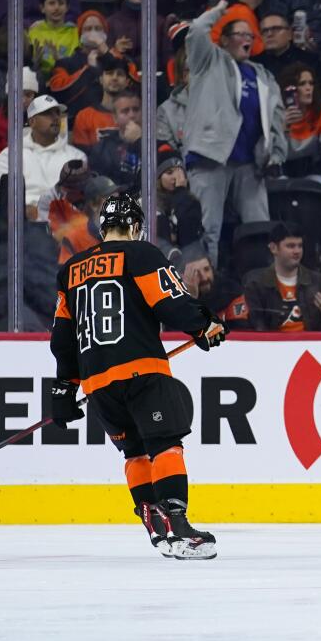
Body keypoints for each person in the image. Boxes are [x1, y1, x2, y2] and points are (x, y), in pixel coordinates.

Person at [49, 192, 227, 559]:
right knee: (165, 444)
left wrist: (65, 388)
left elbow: (63, 337)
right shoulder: (142, 254)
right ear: (134, 227)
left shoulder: (70, 271)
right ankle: (179, 528)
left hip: (98, 384)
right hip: (142, 371)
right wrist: (203, 325)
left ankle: (155, 525)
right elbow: (170, 302)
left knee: (134, 451)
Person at [186, 0, 287, 265]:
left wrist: (275, 154)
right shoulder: (208, 61)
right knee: (208, 228)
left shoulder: (262, 75)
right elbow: (196, 31)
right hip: (210, 158)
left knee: (261, 227)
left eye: (250, 35)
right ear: (224, 39)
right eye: (240, 34)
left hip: (250, 164)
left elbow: (277, 119)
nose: (247, 39)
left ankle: (262, 283)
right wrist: (218, 12)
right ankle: (206, 287)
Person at [0, 94, 86, 219]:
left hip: (66, 219)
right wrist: (24, 210)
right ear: (32, 122)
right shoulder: (10, 155)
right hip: (24, 222)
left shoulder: (76, 156)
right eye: (48, 113)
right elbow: (3, 196)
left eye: (57, 113)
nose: (55, 118)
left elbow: (80, 195)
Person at [242, 221, 321, 332]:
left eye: (300, 246)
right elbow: (256, 327)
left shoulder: (319, 282)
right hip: (272, 346)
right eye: (290, 246)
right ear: (273, 248)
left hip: (310, 346)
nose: (297, 251)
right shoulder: (256, 284)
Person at [70, 52, 131, 148]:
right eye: (109, 73)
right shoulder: (84, 117)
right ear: (101, 79)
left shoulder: (136, 116)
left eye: (120, 74)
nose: (114, 78)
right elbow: (82, 157)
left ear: (127, 82)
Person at [105, 0, 162, 64]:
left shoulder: (160, 22)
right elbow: (105, 62)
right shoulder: (110, 23)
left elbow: (166, 59)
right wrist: (115, 50)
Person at [28, 0, 78, 77]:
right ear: (42, 8)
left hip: (68, 79)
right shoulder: (33, 32)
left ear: (67, 7)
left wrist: (60, 60)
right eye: (52, 3)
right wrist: (35, 62)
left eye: (61, 3)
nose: (57, 8)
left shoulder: (75, 32)